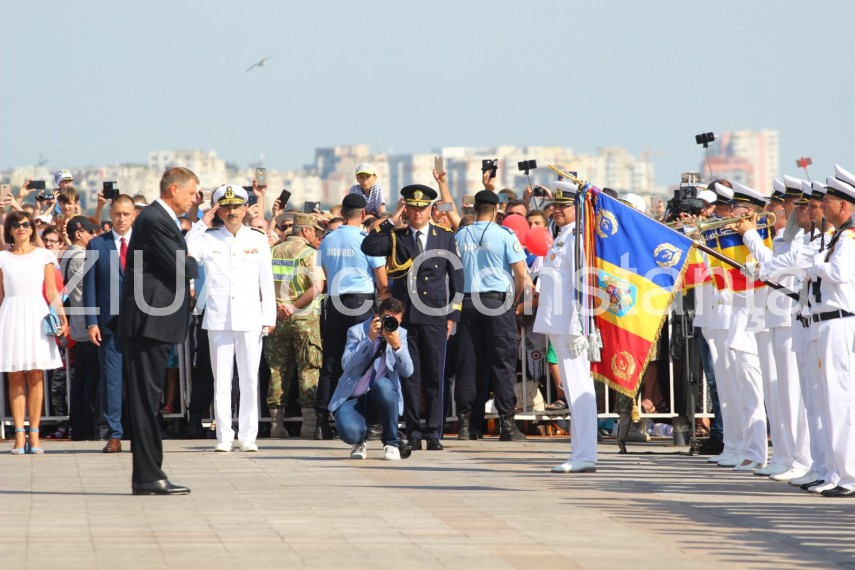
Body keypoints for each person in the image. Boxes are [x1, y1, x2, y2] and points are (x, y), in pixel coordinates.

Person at [118, 166, 200, 495]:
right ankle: (148, 475)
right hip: (148, 322)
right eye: (191, 192)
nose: (195, 199)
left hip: (153, 321)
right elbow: (180, 266)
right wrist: (193, 261)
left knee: (149, 400)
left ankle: (150, 473)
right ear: (174, 189)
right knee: (145, 401)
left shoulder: (159, 219)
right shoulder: (155, 219)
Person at [362, 184, 463, 451]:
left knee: (435, 376)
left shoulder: (445, 236)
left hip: (435, 314)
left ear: (430, 210)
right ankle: (414, 431)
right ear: (406, 208)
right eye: (413, 207)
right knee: (410, 376)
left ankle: (434, 432)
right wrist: (393, 218)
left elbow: (457, 277)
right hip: (405, 316)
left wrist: (453, 314)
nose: (418, 212)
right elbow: (368, 246)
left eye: (422, 208)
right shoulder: (397, 235)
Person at [185, 185, 276, 453]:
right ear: (219, 211)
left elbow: (266, 281)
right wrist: (202, 221)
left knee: (249, 380)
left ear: (245, 208)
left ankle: (248, 436)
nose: (232, 212)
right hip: (218, 319)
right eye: (225, 208)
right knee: (221, 381)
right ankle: (224, 435)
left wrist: (269, 316)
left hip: (250, 317)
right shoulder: (208, 238)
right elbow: (188, 250)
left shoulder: (257, 239)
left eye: (236, 207)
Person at [532, 182, 597, 473]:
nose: (557, 210)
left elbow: (583, 285)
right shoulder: (563, 236)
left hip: (570, 325)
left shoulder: (577, 238)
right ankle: (580, 452)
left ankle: (585, 454)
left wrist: (577, 326)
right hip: (558, 323)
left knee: (579, 388)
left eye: (564, 205)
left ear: (577, 208)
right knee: (572, 390)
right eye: (555, 205)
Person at [454, 187, 528, 442]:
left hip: (467, 302)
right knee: (503, 363)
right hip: (497, 302)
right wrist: (514, 301)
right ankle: (507, 424)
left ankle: (467, 425)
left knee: (468, 364)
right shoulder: (505, 235)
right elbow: (521, 275)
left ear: (474, 209)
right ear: (496, 210)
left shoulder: (461, 235)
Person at [801, 169, 855, 497]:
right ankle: (834, 472)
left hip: (840, 322)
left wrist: (816, 264)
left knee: (840, 400)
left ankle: (848, 476)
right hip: (826, 322)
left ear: (844, 206)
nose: (822, 205)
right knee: (828, 401)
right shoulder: (839, 238)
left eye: (827, 200)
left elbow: (839, 274)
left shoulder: (848, 239)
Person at [317, 194, 387, 437]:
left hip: (336, 302)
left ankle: (321, 421)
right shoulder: (366, 240)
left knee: (331, 360)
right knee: (364, 358)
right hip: (361, 303)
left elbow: (325, 272)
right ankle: (366, 419)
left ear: (343, 213)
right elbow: (382, 281)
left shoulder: (327, 239)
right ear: (364, 213)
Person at [0, 210, 68, 454]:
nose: (21, 228)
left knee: (36, 375)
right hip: (11, 313)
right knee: (15, 375)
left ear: (32, 229)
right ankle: (20, 434)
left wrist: (62, 315)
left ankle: (35, 434)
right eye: (16, 224)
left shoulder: (43, 255)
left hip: (36, 314)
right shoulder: (2, 258)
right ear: (9, 230)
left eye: (26, 224)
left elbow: (51, 290)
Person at [328, 297, 414, 460]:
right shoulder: (357, 331)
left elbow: (408, 371)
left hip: (380, 398)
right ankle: (360, 440)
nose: (390, 324)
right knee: (350, 433)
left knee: (384, 385)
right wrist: (369, 339)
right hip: (354, 398)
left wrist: (397, 346)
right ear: (377, 316)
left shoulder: (400, 334)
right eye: (387, 318)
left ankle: (391, 443)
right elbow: (346, 364)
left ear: (401, 321)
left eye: (396, 321)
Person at [264, 213, 325, 439]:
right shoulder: (311, 254)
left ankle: (276, 426)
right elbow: (316, 288)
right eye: (315, 231)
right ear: (306, 230)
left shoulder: (272, 251)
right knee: (308, 368)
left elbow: (262, 285)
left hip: (276, 319)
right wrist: (293, 307)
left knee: (277, 370)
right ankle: (309, 426)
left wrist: (278, 307)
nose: (316, 236)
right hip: (304, 319)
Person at [84, 194, 137, 453]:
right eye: (117, 214)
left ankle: (141, 433)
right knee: (112, 380)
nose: (122, 218)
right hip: (109, 324)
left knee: (140, 381)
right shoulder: (97, 245)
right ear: (111, 215)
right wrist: (91, 322)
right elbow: (90, 286)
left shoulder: (145, 243)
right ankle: (114, 434)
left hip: (141, 324)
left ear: (134, 215)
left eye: (126, 214)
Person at [62, 215, 101, 441]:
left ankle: (79, 426)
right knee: (88, 380)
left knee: (83, 378)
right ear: (79, 234)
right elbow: (92, 288)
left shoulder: (69, 255)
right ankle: (84, 427)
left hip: (81, 324)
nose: (94, 236)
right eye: (90, 232)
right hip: (87, 325)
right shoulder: (80, 257)